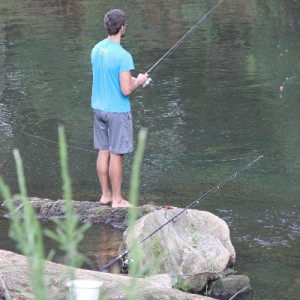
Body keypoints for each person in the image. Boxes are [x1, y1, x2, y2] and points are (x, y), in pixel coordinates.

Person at [91, 9, 149, 208]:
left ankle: (105, 195)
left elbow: (107, 76)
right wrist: (139, 81)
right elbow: (126, 90)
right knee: (116, 154)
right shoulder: (123, 56)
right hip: (116, 111)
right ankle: (117, 199)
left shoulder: (97, 49)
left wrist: (131, 79)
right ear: (122, 27)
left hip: (99, 108)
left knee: (103, 151)